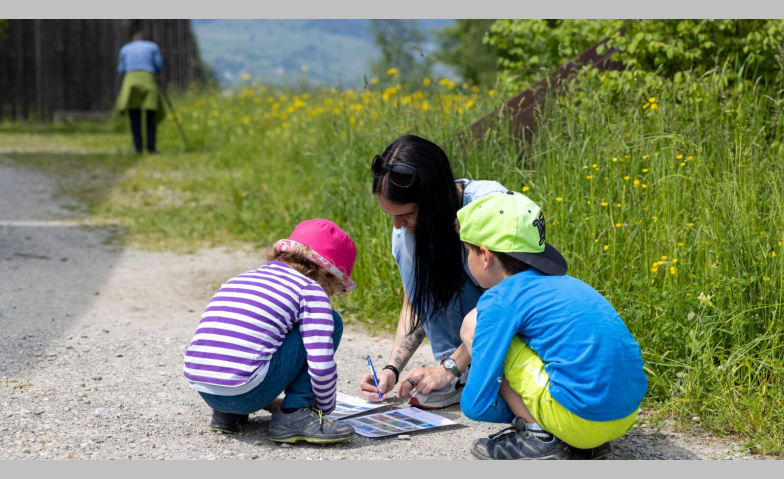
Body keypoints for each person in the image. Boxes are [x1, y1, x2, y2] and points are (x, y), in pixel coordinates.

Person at [455, 191, 648, 460]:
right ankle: (577, 440)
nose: (467, 260)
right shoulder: (569, 285)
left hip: (579, 422)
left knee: (472, 325)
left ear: (485, 256)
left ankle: (541, 435)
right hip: (625, 416)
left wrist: (504, 408)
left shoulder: (501, 298)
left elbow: (475, 405)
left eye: (467, 252)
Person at [359, 134, 508, 409]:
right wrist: (392, 368)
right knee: (407, 242)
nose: (397, 225)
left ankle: (466, 371)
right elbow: (417, 297)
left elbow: (511, 300)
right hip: (467, 343)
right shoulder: (409, 230)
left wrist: (450, 368)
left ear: (434, 200)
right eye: (391, 215)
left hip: (507, 329)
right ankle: (461, 373)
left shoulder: (490, 209)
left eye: (406, 214)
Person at [182, 219, 358, 444]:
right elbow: (321, 366)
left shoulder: (242, 278)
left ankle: (227, 414)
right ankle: (296, 415)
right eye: (334, 290)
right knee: (331, 323)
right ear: (329, 276)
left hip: (205, 390)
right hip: (245, 391)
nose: (330, 295)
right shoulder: (310, 289)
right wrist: (322, 407)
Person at [114, 31, 165, 154]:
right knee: (151, 115)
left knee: (134, 115)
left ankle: (138, 147)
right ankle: (151, 147)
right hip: (148, 79)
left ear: (133, 40)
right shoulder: (152, 46)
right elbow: (159, 65)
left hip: (131, 81)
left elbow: (121, 69)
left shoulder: (125, 48)